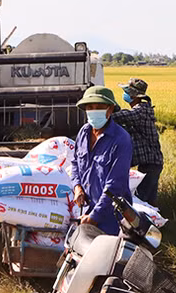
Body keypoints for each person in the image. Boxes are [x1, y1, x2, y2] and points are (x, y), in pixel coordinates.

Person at [70, 86, 134, 235]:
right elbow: (75, 163)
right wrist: (77, 187)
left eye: (99, 107)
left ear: (110, 109)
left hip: (112, 216)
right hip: (88, 209)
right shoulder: (84, 132)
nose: (94, 111)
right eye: (90, 107)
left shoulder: (121, 139)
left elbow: (115, 186)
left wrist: (95, 217)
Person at [112, 77, 164, 205]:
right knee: (150, 200)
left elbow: (122, 116)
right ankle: (154, 222)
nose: (125, 95)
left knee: (141, 199)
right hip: (151, 163)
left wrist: (105, 115)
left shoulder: (140, 110)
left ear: (134, 96)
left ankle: (143, 223)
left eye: (127, 92)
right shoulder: (141, 109)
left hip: (150, 164)